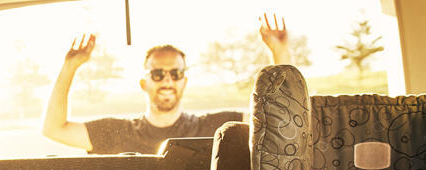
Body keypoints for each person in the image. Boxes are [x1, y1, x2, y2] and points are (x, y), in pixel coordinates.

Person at [43, 14, 292, 154]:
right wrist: (69, 66)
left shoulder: (218, 127)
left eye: (175, 73)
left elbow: (280, 117)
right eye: (158, 74)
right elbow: (54, 129)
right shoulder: (116, 133)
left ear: (184, 82)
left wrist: (280, 53)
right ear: (143, 83)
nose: (168, 81)